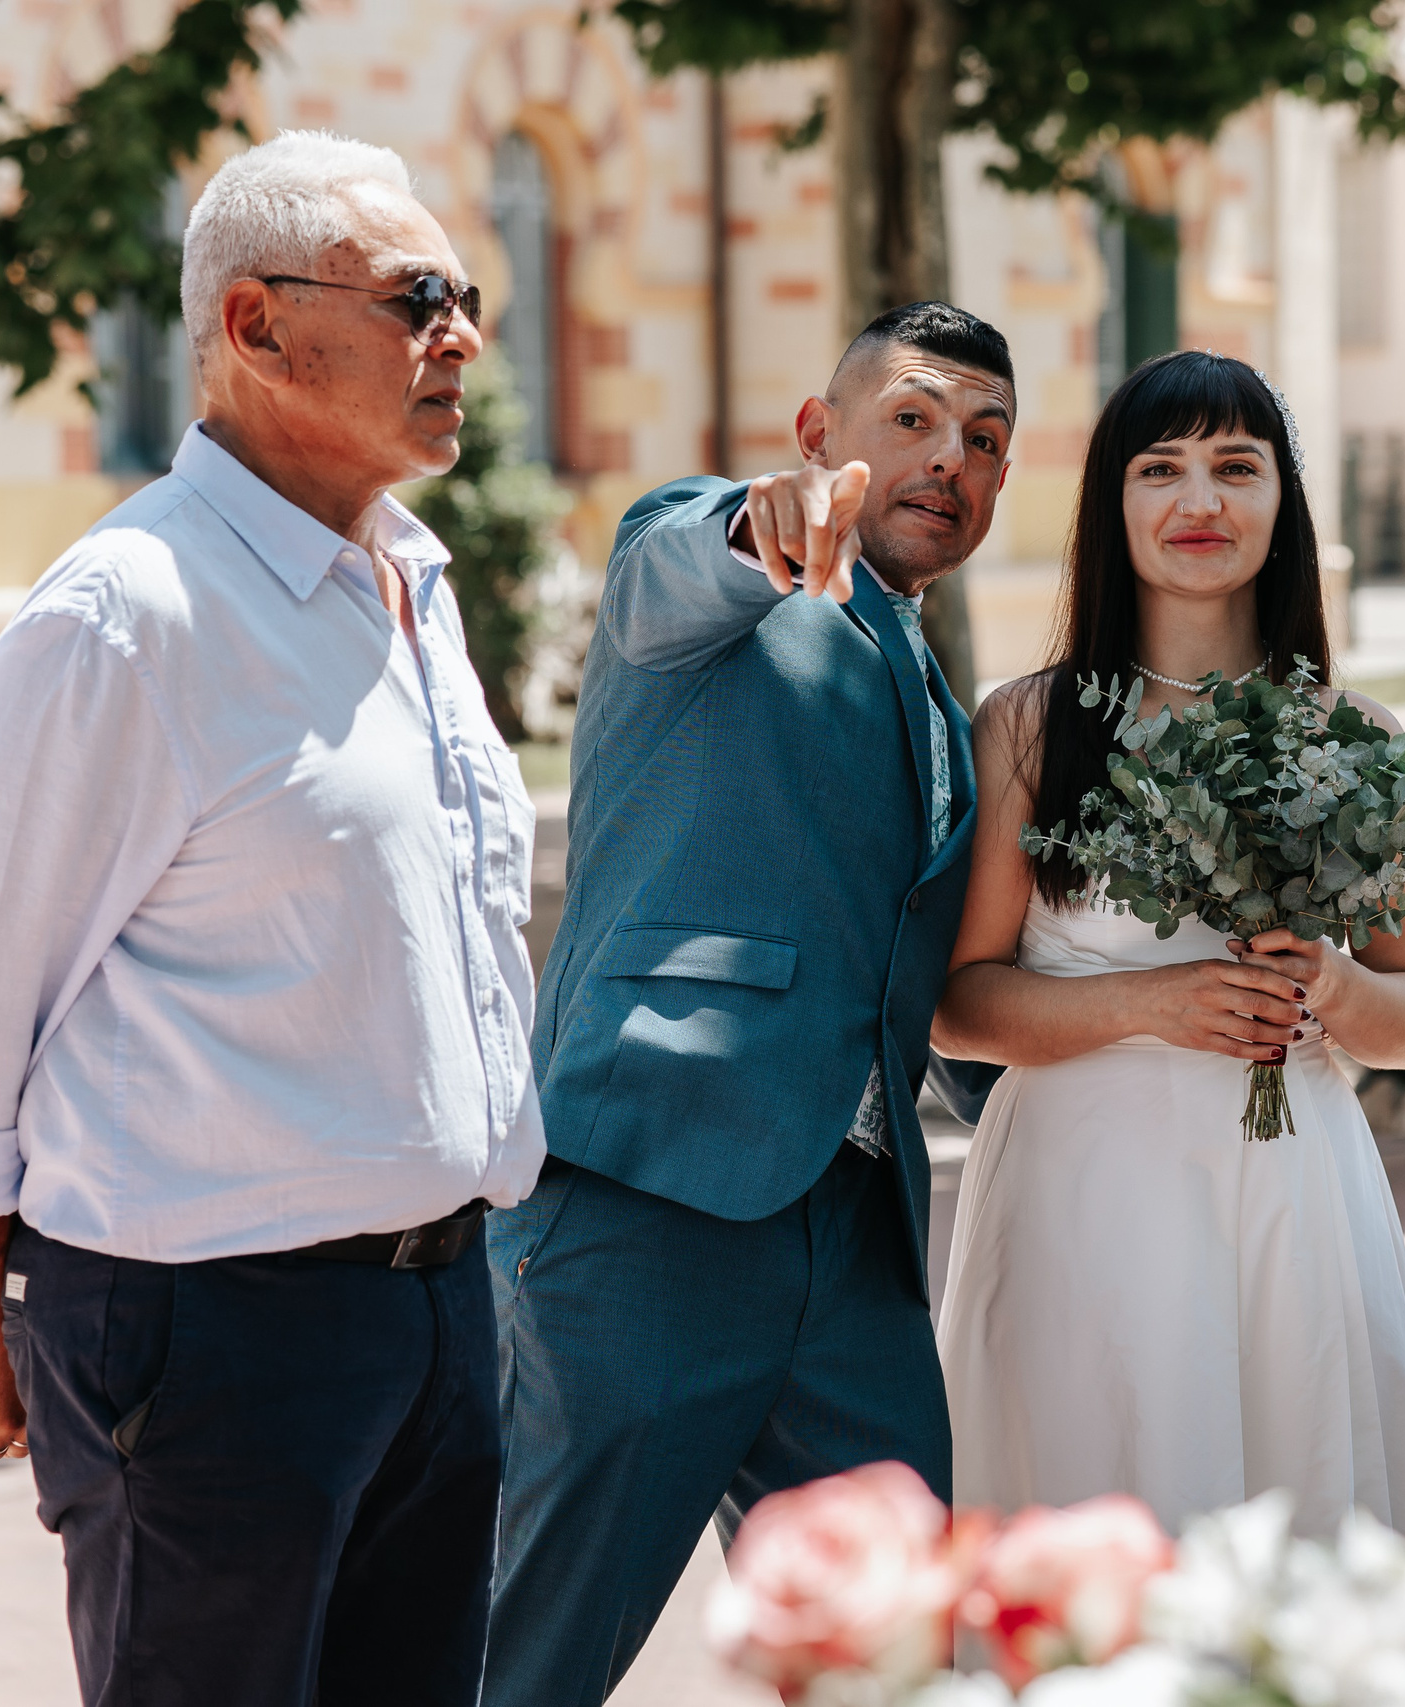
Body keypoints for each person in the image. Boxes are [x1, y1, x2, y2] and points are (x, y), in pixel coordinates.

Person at [0, 132, 543, 1707]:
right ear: (253, 324)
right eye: (417, 297)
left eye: (469, 296)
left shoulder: (412, 586)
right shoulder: (126, 618)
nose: (462, 337)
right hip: (211, 1339)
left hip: (443, 1313)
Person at [928, 351, 1405, 1701]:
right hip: (1085, 1202)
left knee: (1298, 1509)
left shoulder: (1355, 736)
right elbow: (959, 998)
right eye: (1160, 465)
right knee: (1098, 1533)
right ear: (1111, 504)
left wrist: (1339, 993)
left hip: (1292, 1201)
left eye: (1237, 465)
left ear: (1283, 500)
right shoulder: (1031, 727)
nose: (1200, 496)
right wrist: (1152, 1003)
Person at [486, 302, 1012, 1705]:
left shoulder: (950, 719)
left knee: (901, 1658)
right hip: (647, 1199)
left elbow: (933, 981)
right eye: (910, 419)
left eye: (985, 439)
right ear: (815, 436)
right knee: (528, 1661)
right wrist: (758, 525)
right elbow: (681, 561)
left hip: (853, 1241)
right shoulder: (708, 571)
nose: (949, 456)